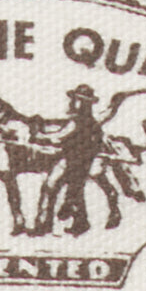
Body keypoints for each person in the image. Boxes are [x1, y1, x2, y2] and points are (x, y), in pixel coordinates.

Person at [31, 84, 105, 237]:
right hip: (82, 164)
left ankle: (43, 224)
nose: (71, 103)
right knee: (76, 193)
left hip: (70, 162)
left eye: (75, 100)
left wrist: (38, 135)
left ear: (83, 103)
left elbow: (58, 137)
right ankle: (81, 223)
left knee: (49, 187)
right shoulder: (93, 123)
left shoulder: (77, 122)